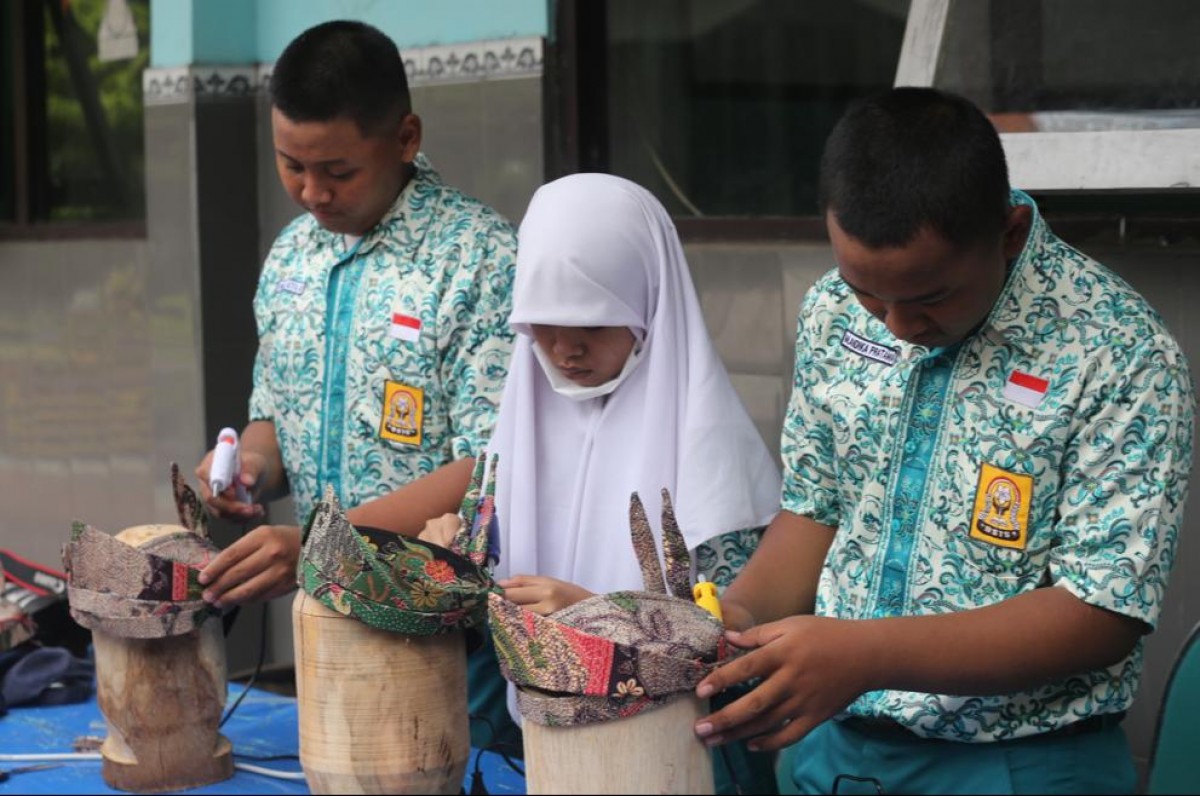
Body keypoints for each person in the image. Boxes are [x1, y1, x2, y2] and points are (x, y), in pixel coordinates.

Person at [690, 86, 1196, 795]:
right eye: (868, 291)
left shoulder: (1117, 351)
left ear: (1010, 233)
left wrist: (863, 655)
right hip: (832, 754)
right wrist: (739, 620)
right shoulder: (833, 313)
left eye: (930, 298)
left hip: (1018, 766)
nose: (895, 325)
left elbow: (1099, 610)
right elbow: (817, 509)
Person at [421, 172, 783, 793]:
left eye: (590, 325)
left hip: (673, 761)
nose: (563, 350)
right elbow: (494, 588)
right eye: (542, 325)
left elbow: (737, 647)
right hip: (539, 752)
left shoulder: (711, 460)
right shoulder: (521, 425)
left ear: (648, 304)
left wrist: (603, 620)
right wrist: (455, 552)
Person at [193, 20, 516, 613]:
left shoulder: (477, 259)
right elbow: (273, 414)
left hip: (446, 619)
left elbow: (492, 465)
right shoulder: (293, 255)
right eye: (291, 165)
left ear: (405, 137)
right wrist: (252, 467)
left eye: (338, 172)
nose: (313, 192)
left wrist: (322, 545)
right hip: (328, 615)